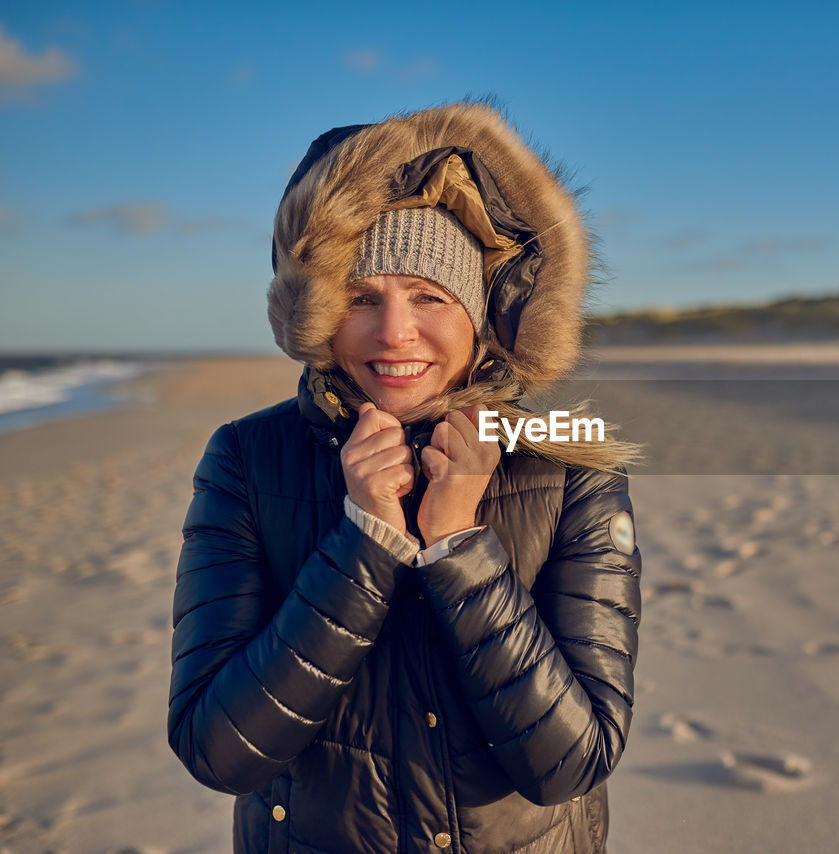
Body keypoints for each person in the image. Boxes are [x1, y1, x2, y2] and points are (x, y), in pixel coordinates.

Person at [168, 101, 642, 854]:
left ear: (484, 315)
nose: (394, 333)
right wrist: (365, 542)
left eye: (430, 296)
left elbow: (571, 764)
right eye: (361, 298)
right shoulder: (247, 459)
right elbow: (217, 751)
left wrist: (461, 546)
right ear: (318, 311)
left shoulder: (567, 467)